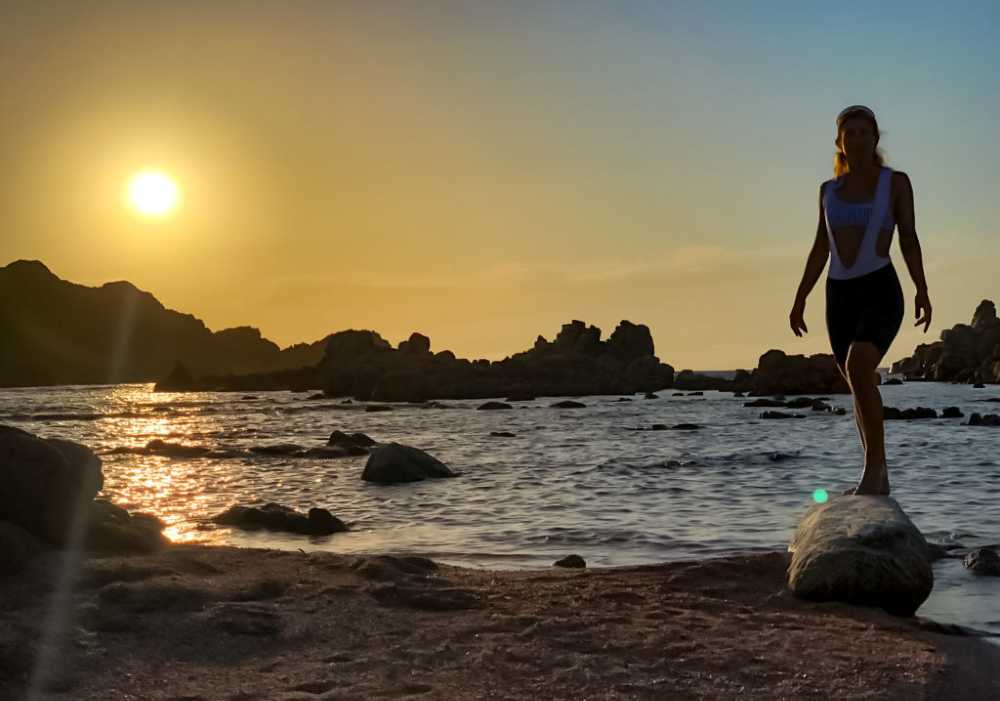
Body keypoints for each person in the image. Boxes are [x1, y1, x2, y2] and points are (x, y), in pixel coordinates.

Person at [789, 105, 932, 496]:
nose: (856, 138)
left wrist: (921, 287)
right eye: (848, 133)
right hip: (838, 295)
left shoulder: (895, 183)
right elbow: (821, 246)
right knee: (858, 380)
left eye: (863, 132)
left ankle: (873, 472)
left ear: (875, 139)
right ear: (839, 142)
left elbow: (908, 238)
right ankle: (877, 472)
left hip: (881, 289)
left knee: (859, 364)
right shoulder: (827, 191)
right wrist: (800, 297)